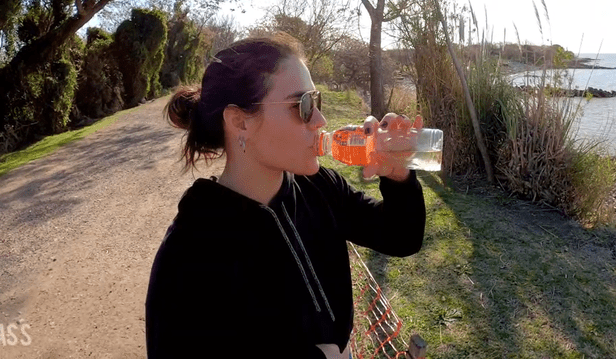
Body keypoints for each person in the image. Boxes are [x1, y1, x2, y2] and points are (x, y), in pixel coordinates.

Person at [145, 34, 426, 359]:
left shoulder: (319, 186)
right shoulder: (189, 255)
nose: (320, 120)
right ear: (239, 122)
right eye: (302, 106)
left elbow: (402, 236)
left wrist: (398, 176)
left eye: (316, 101)